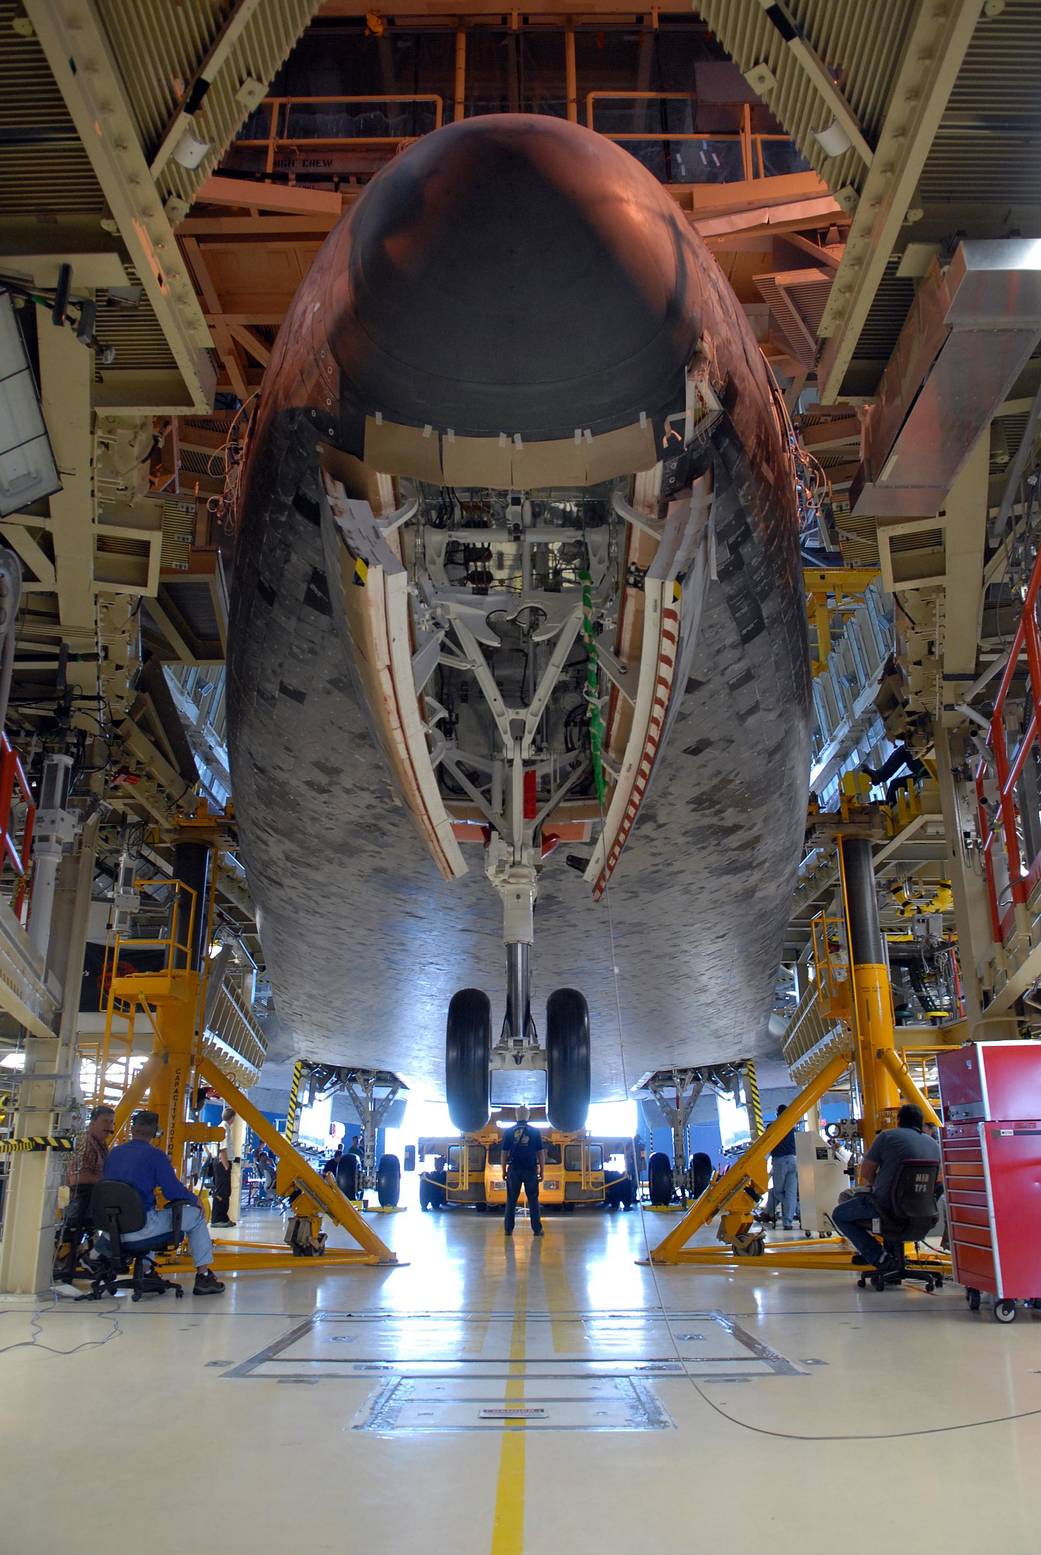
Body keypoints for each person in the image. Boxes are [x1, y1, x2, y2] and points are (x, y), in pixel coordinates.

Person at [103, 1110, 225, 1294]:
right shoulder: (156, 1156)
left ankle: (146, 1270)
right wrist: (195, 1200)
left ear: (132, 1129)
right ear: (156, 1132)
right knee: (196, 1216)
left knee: (152, 1214)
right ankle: (203, 1276)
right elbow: (173, 1192)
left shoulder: (114, 1153)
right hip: (141, 1228)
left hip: (112, 1230)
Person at [831, 1103, 941, 1268]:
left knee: (840, 1214)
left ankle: (879, 1257)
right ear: (920, 1122)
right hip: (923, 1211)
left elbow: (866, 1173)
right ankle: (891, 1256)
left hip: (887, 1206)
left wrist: (878, 1187)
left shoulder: (887, 1137)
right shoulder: (934, 1145)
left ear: (898, 1120)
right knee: (881, 1206)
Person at [54, 1104, 115, 1283]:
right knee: (122, 1219)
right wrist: (105, 1179)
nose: (110, 1126)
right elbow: (75, 1178)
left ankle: (95, 1255)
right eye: (105, 1121)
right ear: (93, 1121)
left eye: (112, 1122)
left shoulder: (101, 1144)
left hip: (91, 1200)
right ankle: (94, 1256)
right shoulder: (84, 1142)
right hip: (80, 1202)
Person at [501, 1106, 545, 1237]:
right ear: (528, 1115)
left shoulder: (508, 1132)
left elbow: (503, 1153)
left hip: (514, 1170)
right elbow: (540, 1153)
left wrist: (503, 1170)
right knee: (533, 1200)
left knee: (511, 1200)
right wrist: (542, 1170)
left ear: (516, 1115)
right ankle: (537, 1229)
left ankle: (508, 1229)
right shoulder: (535, 1131)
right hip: (531, 1170)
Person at [765, 1104, 799, 1230]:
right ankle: (787, 1223)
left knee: (778, 1191)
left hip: (779, 1162)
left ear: (777, 1114)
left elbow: (766, 1145)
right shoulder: (793, 1128)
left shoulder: (771, 1127)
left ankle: (798, 1211)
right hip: (793, 1161)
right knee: (791, 1193)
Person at [862, 744, 928, 806]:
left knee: (905, 749)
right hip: (925, 773)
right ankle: (890, 806)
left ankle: (879, 776)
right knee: (895, 783)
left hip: (926, 773)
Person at [211, 1106, 237, 1227]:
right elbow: (222, 1149)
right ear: (232, 1118)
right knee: (222, 1192)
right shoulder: (224, 1129)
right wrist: (226, 1166)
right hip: (223, 1163)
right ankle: (217, 1219)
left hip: (223, 1162)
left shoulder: (224, 1127)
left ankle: (223, 1218)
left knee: (226, 1191)